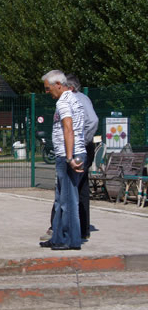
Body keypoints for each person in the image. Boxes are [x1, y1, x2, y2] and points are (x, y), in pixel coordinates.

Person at [40, 74, 99, 241]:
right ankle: (65, 234)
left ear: (62, 85)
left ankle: (69, 237)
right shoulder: (75, 100)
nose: (47, 91)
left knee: (69, 196)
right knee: (68, 195)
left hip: (72, 150)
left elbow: (69, 128)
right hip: (74, 149)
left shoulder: (68, 100)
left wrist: (70, 154)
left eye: (48, 88)